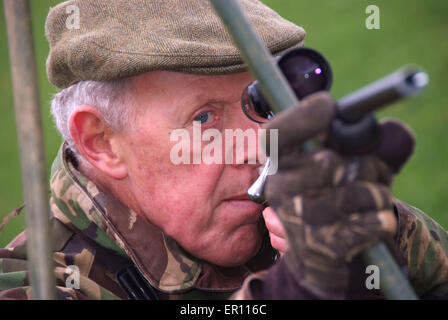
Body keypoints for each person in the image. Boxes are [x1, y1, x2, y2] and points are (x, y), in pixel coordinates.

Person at [1, 0, 447, 300]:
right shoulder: (36, 281)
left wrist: (386, 241)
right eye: (204, 118)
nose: (257, 145)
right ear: (101, 142)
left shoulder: (296, 219)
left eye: (264, 104)